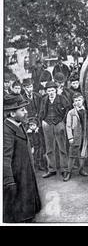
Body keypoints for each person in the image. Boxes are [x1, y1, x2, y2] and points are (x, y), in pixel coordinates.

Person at [3, 94, 42, 222]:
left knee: (28, 210)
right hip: (17, 179)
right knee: (20, 214)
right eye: (22, 110)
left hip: (25, 174)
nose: (26, 112)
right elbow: (4, 158)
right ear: (12, 114)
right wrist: (9, 182)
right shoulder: (6, 131)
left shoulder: (18, 125)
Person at [39, 81, 71, 179]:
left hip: (59, 124)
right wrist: (42, 121)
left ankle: (64, 169)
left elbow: (68, 109)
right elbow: (41, 111)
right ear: (46, 91)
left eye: (53, 90)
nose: (51, 92)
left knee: (62, 148)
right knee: (49, 148)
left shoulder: (62, 98)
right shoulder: (44, 99)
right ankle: (51, 169)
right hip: (47, 124)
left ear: (56, 90)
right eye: (49, 91)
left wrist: (63, 122)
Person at [64, 93, 88, 181]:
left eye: (79, 100)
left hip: (85, 136)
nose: (78, 102)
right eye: (76, 101)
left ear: (83, 100)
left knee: (83, 154)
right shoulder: (71, 113)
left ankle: (81, 169)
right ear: (73, 102)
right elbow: (68, 126)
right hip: (75, 136)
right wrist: (70, 137)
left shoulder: (86, 111)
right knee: (72, 154)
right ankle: (69, 172)